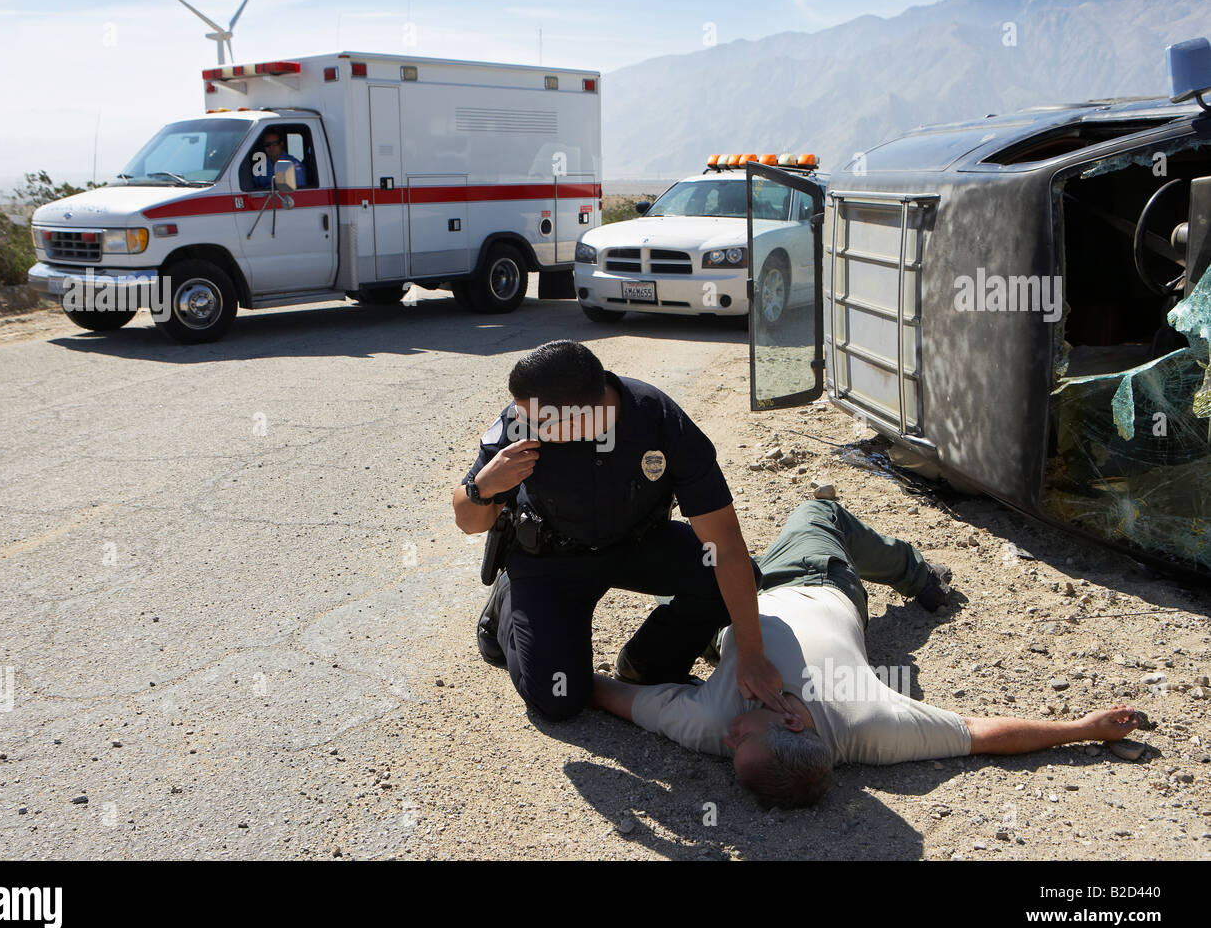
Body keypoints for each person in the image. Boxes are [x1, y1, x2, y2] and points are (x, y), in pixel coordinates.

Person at [591, 499, 1143, 808]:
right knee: (818, 511)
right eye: (745, 739)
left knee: (676, 579)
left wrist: (554, 676)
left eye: (733, 749)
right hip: (814, 578)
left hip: (729, 610)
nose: (730, 736)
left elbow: (607, 694)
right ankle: (919, 574)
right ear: (793, 720)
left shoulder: (714, 724)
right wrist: (1082, 728)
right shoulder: (872, 723)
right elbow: (982, 734)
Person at [454, 340, 788, 722]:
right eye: (521, 414)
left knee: (729, 576)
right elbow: (468, 521)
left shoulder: (660, 421)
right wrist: (484, 486)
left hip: (634, 545)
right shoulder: (521, 422)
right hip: (549, 560)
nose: (523, 423)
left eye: (536, 421)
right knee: (559, 699)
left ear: (582, 416)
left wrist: (752, 656)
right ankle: (508, 600)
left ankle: (645, 664)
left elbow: (725, 543)